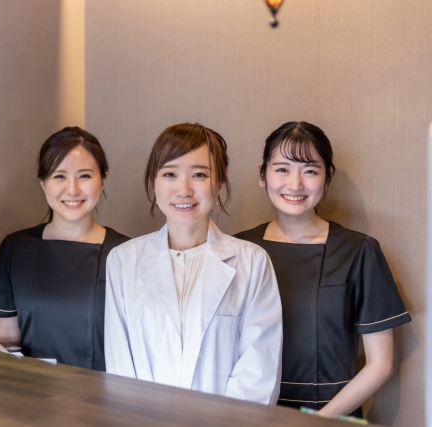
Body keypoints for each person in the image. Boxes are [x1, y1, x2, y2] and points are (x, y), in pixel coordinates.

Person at [235, 121, 411, 417]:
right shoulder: (238, 250)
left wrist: (319, 421)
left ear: (328, 178)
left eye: (310, 171)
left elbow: (380, 364)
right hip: (250, 414)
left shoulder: (358, 251)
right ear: (262, 174)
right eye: (282, 169)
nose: (295, 184)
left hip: (334, 415)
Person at [104, 122, 283, 404]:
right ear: (154, 182)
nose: (184, 190)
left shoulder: (252, 263)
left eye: (199, 174)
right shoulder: (123, 260)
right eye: (170, 174)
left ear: (219, 183)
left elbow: (259, 372)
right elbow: (120, 368)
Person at [0, 126, 129, 371]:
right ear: (43, 183)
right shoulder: (15, 249)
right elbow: (7, 339)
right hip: (31, 388)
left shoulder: (126, 252)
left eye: (84, 176)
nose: (72, 189)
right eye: (59, 176)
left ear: (103, 179)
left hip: (105, 391)